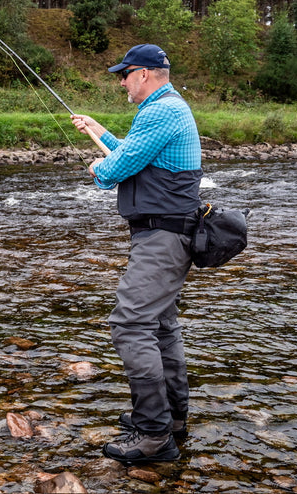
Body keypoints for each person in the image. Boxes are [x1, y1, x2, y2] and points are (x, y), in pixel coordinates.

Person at [71, 43, 202, 465]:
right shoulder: (168, 107)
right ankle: (173, 419)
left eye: (123, 75)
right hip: (168, 234)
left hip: (162, 238)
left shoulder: (161, 111)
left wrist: (97, 169)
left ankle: (153, 435)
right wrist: (100, 130)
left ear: (143, 74)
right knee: (161, 326)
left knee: (130, 324)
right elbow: (136, 152)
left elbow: (114, 169)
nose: (121, 82)